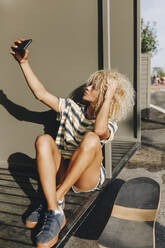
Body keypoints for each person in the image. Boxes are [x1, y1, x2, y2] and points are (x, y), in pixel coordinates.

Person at [10, 38, 134, 248]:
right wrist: (23, 63)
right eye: (90, 83)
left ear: (105, 96)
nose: (88, 87)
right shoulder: (71, 108)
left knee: (92, 138)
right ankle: (55, 210)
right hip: (63, 169)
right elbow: (40, 94)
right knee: (43, 140)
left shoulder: (109, 121)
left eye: (95, 87)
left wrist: (109, 96)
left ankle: (54, 200)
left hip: (85, 179)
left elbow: (99, 131)